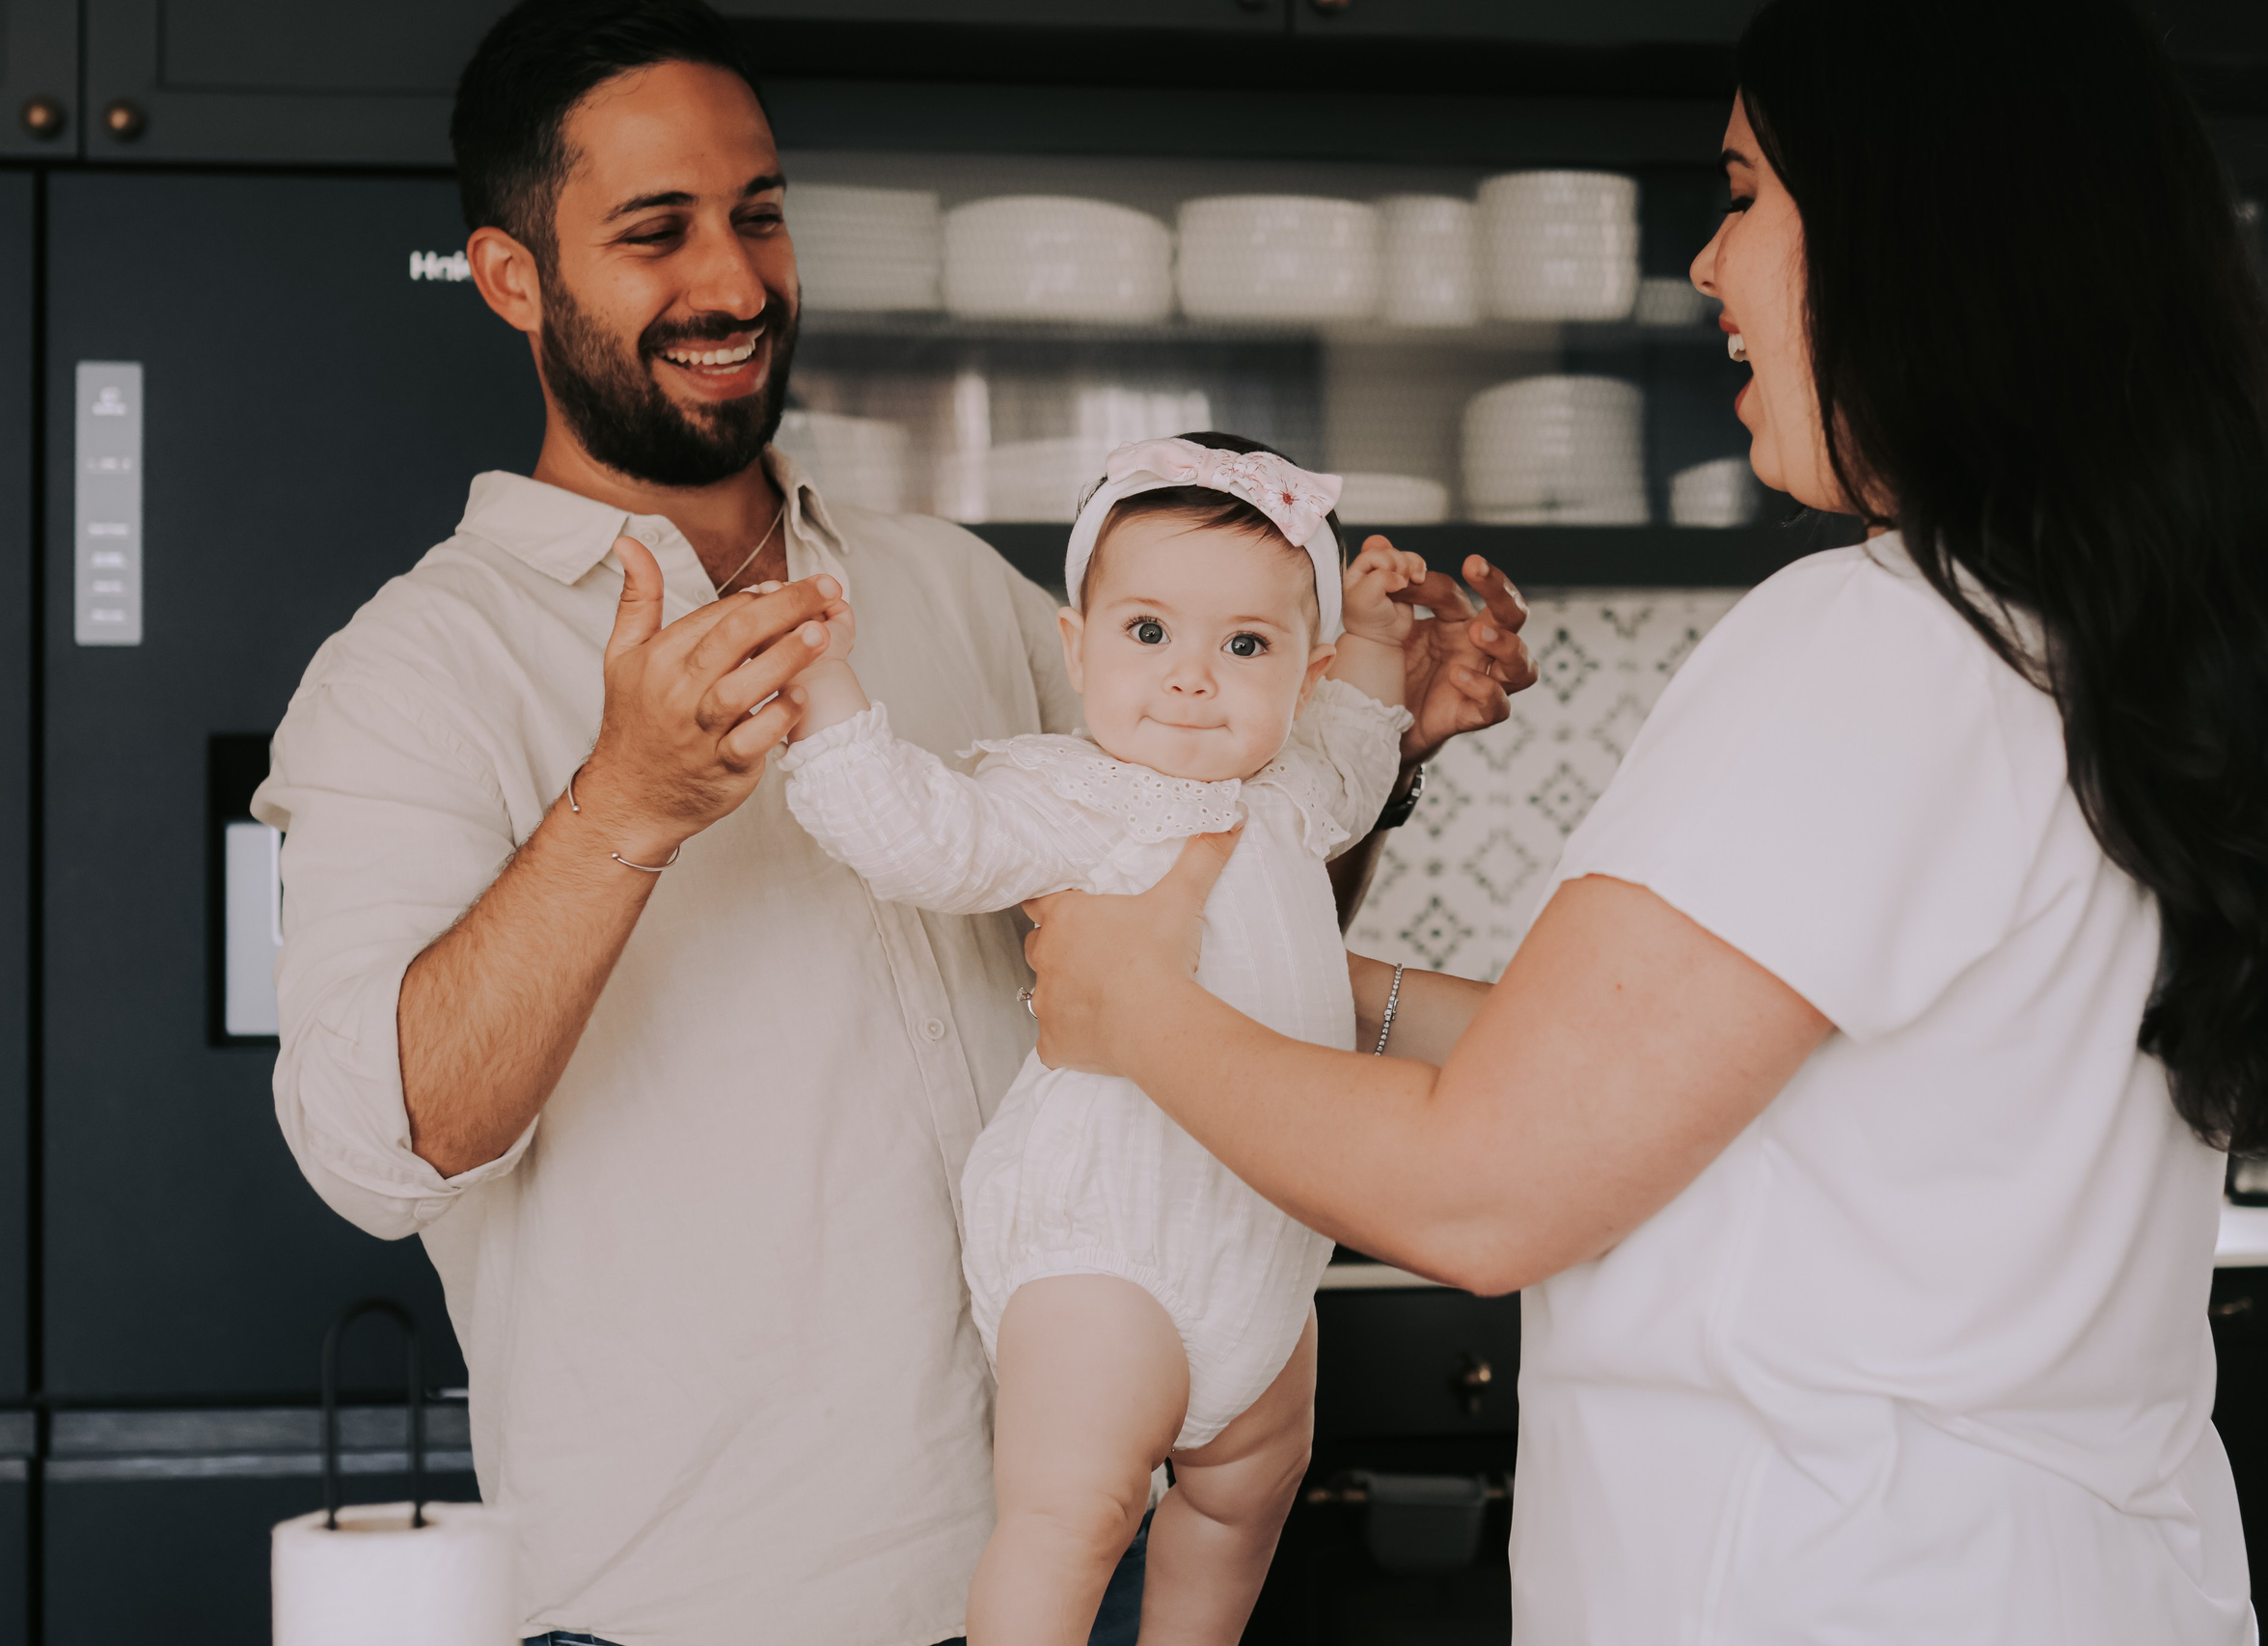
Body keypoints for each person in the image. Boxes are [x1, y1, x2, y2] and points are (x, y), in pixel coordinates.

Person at [1012, 2, 2268, 1641]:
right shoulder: (2088, 641)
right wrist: (1315, 983)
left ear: (1906, 234)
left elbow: (1482, 1191)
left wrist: (1138, 1012)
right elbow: (1719, 1087)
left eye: (1745, 193)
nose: (1704, 264)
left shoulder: (1881, 640)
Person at [254, 3, 1532, 1640]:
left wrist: (1385, 743)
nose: (731, 283)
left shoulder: (945, 590)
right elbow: (378, 1149)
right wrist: (624, 809)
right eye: (657, 233)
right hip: (708, 1609)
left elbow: (1186, 895)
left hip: (1080, 1542)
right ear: (513, 278)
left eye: (759, 215)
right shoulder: (412, 670)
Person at [780, 435, 1422, 1643]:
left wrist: (1384, 646)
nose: (1191, 677)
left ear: (1304, 666)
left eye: (1244, 645)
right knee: (1070, 1515)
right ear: (1075, 647)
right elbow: (928, 837)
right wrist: (823, 696)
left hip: (1264, 1265)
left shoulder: (1291, 793)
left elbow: (1355, 745)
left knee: (1244, 1506)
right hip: (1105, 1245)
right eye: (1146, 633)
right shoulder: (1071, 792)